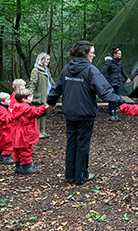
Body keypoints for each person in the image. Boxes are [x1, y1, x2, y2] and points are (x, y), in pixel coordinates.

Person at [47, 41, 125, 185]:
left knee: (72, 143)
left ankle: (71, 174)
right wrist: (121, 102)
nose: (94, 55)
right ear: (84, 54)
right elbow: (105, 91)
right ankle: (80, 176)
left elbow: (56, 88)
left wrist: (51, 101)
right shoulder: (91, 70)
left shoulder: (67, 69)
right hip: (85, 113)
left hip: (70, 112)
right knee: (82, 144)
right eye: (92, 52)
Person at [11, 89, 49, 175]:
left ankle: (18, 167)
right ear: (24, 99)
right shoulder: (26, 108)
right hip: (24, 133)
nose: (32, 98)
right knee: (26, 150)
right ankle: (26, 168)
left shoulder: (16, 106)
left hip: (16, 132)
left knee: (17, 150)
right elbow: (36, 111)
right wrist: (46, 107)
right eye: (30, 97)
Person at [101, 47, 131, 122]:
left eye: (120, 54)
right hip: (111, 82)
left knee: (117, 98)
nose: (120, 55)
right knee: (111, 98)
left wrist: (127, 78)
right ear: (114, 54)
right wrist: (100, 79)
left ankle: (115, 114)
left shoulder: (119, 61)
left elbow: (122, 71)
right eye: (119, 54)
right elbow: (104, 71)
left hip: (118, 82)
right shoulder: (109, 62)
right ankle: (111, 114)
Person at [27, 53, 53, 139]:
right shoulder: (36, 70)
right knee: (37, 114)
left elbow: (50, 81)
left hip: (46, 94)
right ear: (42, 60)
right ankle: (37, 132)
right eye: (47, 59)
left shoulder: (46, 70)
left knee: (44, 113)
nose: (48, 61)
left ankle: (43, 131)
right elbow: (33, 82)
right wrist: (30, 94)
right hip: (39, 95)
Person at [0, 92, 14, 164]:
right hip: (4, 130)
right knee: (7, 143)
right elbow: (6, 119)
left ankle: (0, 156)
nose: (10, 100)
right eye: (8, 99)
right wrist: (14, 116)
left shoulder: (2, 109)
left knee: (0, 143)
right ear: (2, 102)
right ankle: (6, 157)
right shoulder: (2, 110)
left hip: (1, 130)